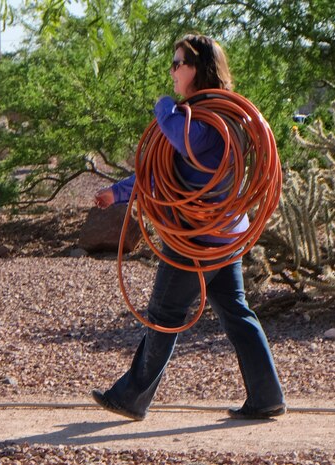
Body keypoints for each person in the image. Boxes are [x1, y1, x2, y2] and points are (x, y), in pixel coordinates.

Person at [92, 34, 285, 421]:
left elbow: (183, 139)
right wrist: (117, 193)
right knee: (235, 311)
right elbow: (163, 174)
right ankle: (266, 397)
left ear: (197, 69)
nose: (172, 71)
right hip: (225, 237)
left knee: (163, 313)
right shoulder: (224, 119)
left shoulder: (207, 124)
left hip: (196, 240)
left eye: (178, 63)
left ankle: (131, 396)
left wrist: (164, 107)